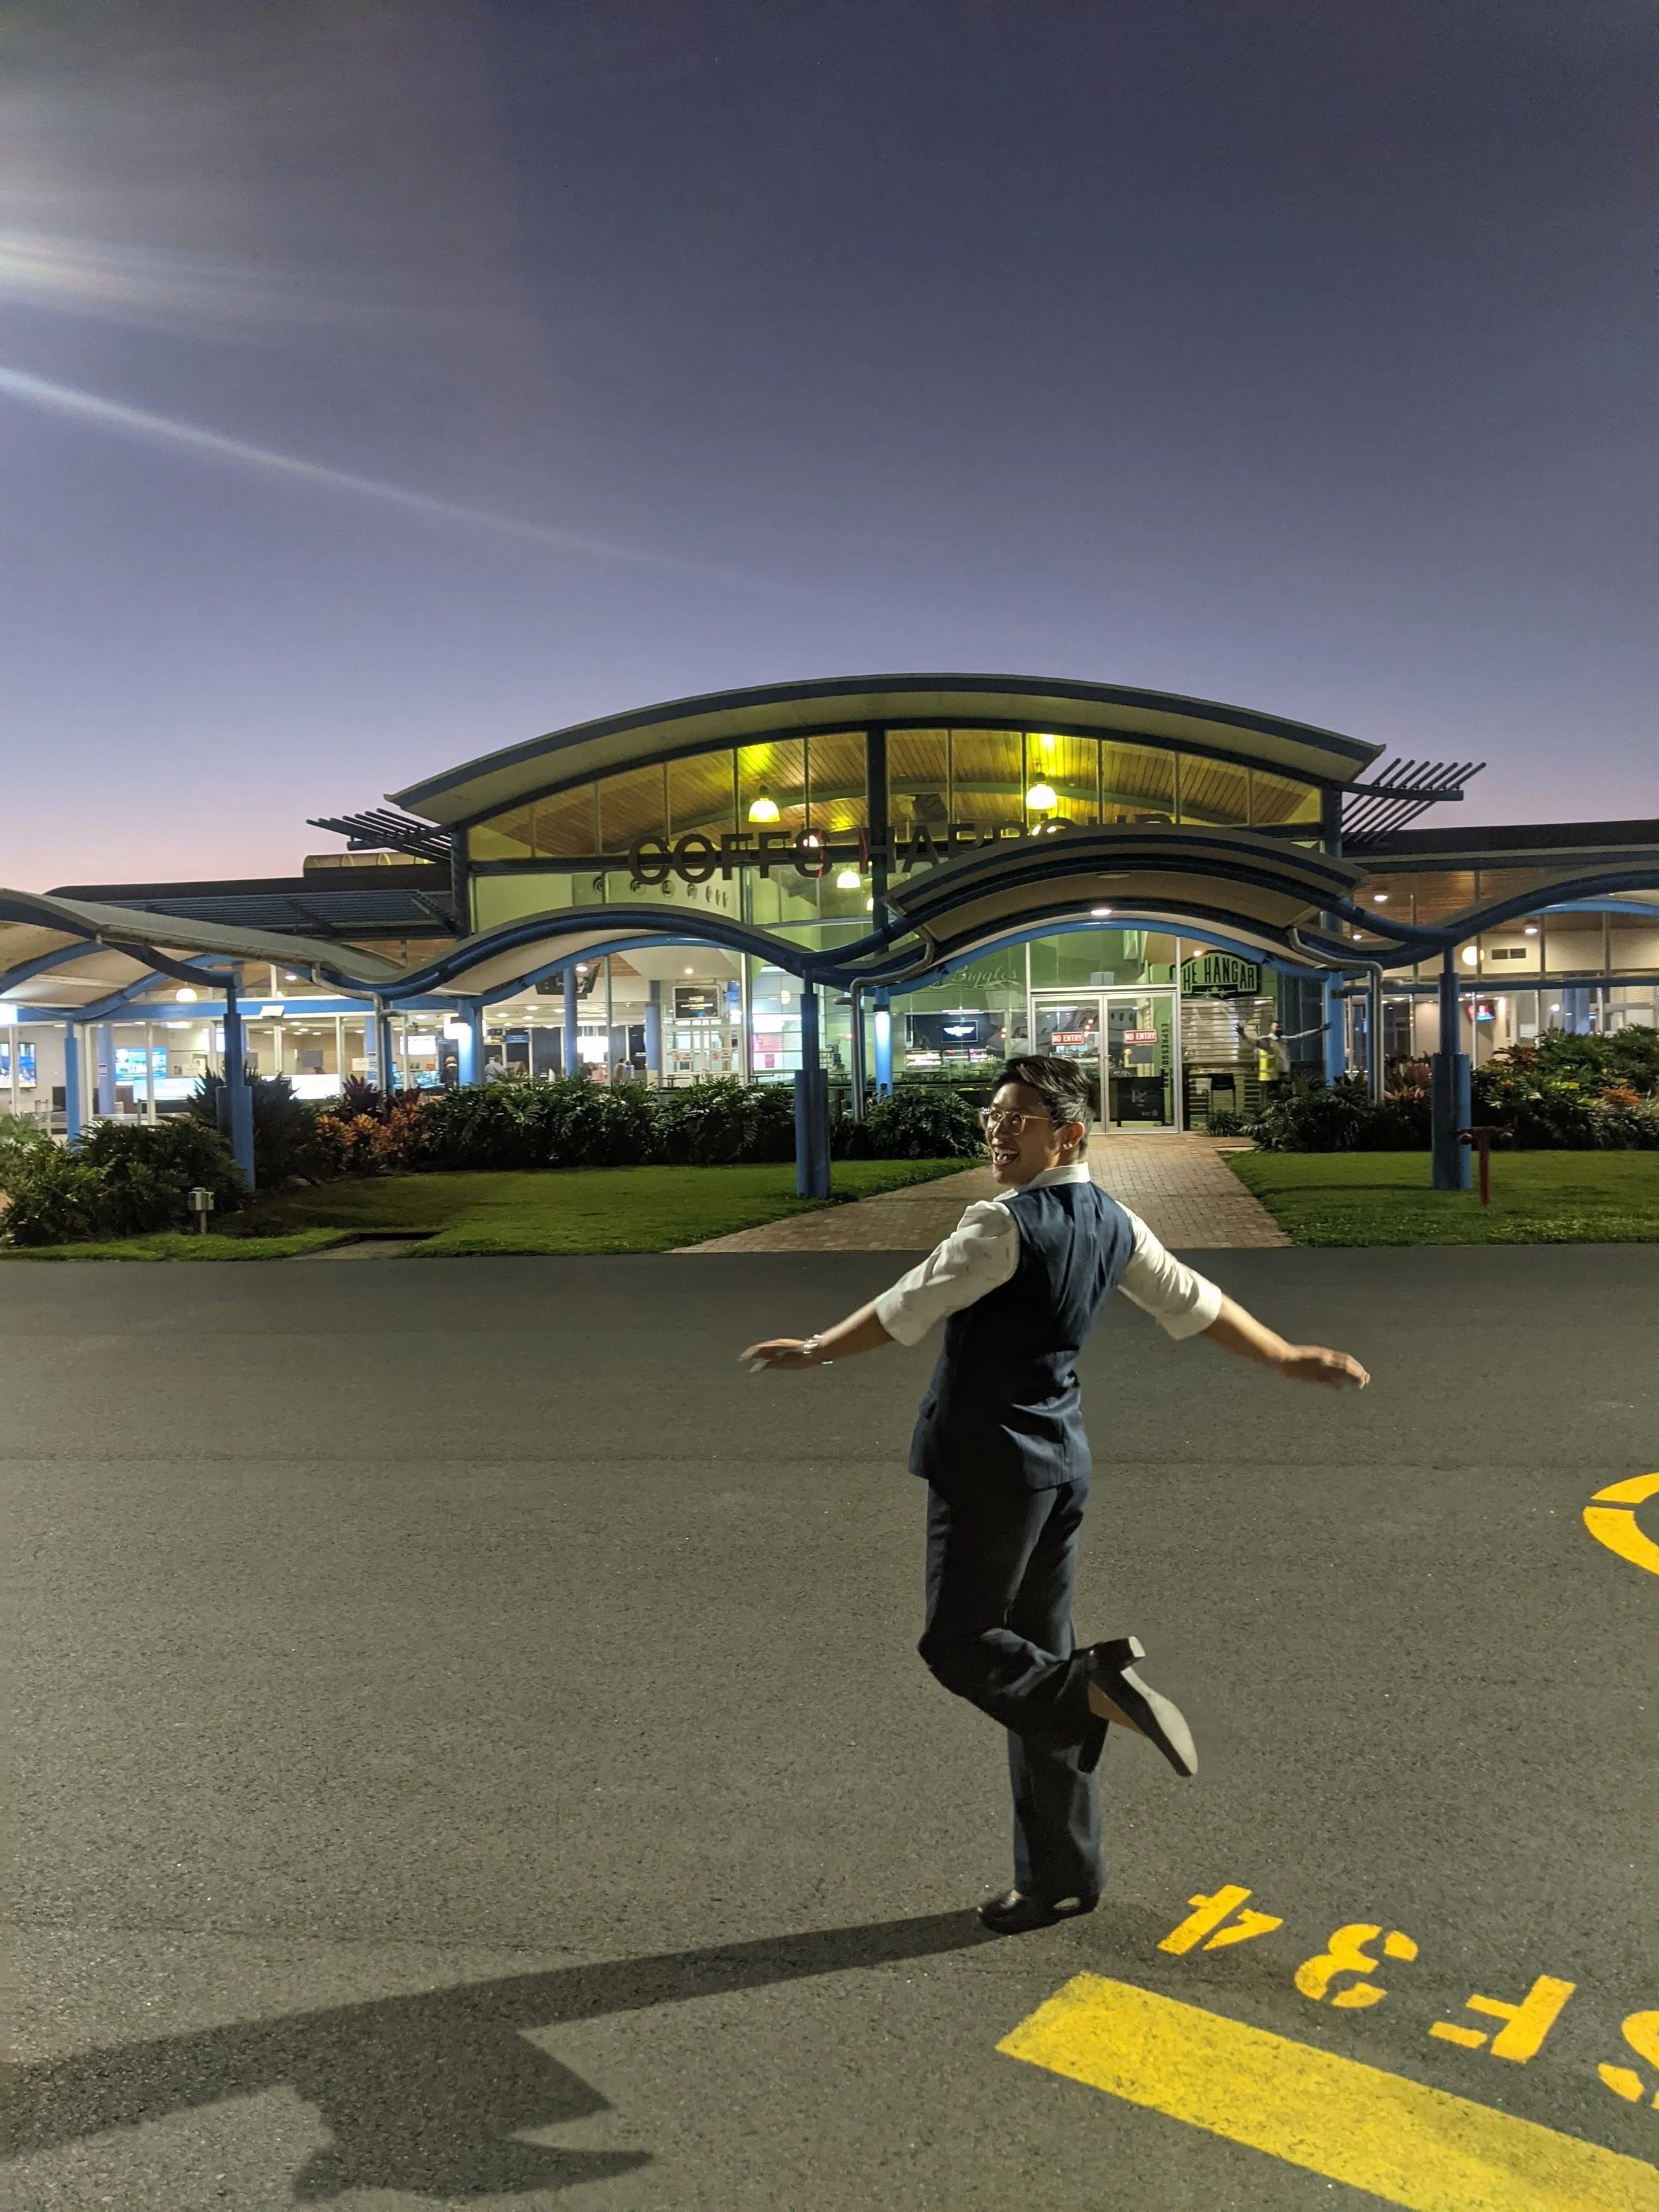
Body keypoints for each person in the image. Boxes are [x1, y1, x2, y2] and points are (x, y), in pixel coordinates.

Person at [742, 1055, 1368, 1936]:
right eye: (993, 1118)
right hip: (1060, 1465)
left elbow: (905, 1307)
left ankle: (1090, 1692)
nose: (998, 1133)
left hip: (985, 1465)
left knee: (961, 1645)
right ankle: (1062, 1877)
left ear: (1069, 1135)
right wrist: (1285, 1356)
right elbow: (1194, 1302)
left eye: (1019, 1120)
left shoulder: (999, 1226)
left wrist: (816, 1349)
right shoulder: (1114, 1220)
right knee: (1035, 1655)